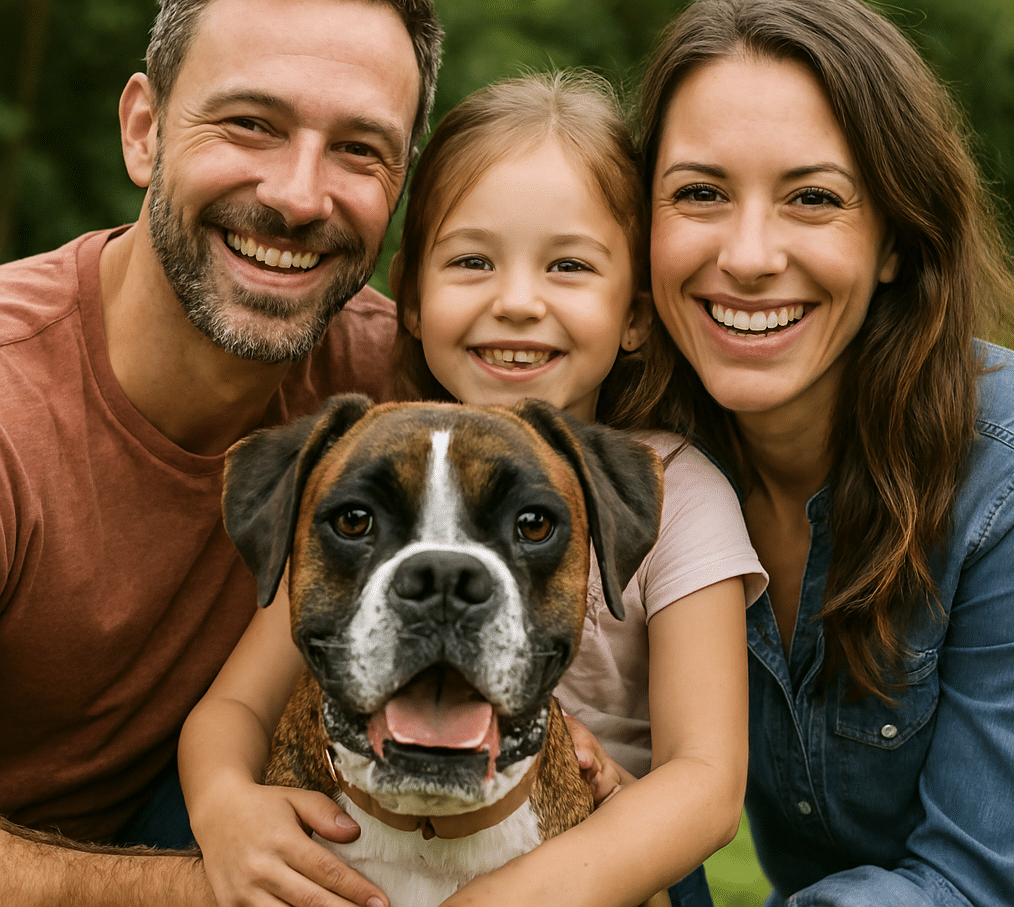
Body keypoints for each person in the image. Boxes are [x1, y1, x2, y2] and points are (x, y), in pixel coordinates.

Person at [177, 71, 768, 907]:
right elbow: (232, 706)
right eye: (473, 261)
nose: (518, 301)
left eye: (567, 264)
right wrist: (225, 806)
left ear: (636, 313)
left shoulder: (672, 487)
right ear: (408, 299)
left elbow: (705, 779)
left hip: (607, 855)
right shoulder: (351, 456)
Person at [0, 0, 442, 907]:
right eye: (250, 123)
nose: (296, 195)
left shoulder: (399, 387)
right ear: (145, 130)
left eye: (359, 150)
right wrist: (208, 888)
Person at [638, 0, 1014, 906]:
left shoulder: (1006, 479)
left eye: (813, 198)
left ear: (895, 240)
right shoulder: (632, 469)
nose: (749, 254)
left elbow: (976, 887)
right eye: (700, 193)